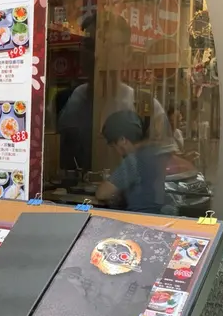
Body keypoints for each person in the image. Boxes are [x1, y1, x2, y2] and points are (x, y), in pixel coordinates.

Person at [57, 13, 171, 172]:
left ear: (127, 53)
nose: (96, 54)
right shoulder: (69, 100)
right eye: (89, 46)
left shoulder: (146, 106)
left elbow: (165, 163)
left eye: (106, 45)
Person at [95, 109, 169, 214]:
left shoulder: (135, 160)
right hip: (158, 216)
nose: (117, 151)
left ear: (122, 140)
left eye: (114, 146)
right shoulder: (154, 152)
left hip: (139, 217)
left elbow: (103, 194)